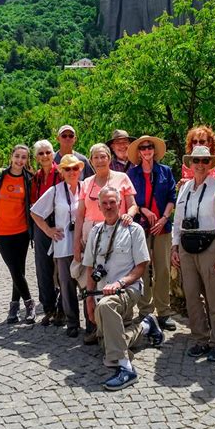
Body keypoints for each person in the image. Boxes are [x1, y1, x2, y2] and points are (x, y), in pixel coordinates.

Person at [83, 186, 164, 391]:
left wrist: (120, 283)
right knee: (107, 342)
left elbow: (141, 266)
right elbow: (90, 268)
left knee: (106, 307)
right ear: (99, 206)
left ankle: (126, 368)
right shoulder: (95, 231)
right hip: (102, 293)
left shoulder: (133, 229)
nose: (109, 206)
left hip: (128, 288)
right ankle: (146, 326)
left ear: (120, 204)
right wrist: (89, 300)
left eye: (113, 202)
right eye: (105, 203)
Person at [74, 143, 138, 343]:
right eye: (96, 157)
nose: (100, 160)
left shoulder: (122, 178)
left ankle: (119, 324)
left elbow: (133, 205)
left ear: (109, 158)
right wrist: (77, 241)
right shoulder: (87, 183)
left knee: (115, 278)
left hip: (117, 233)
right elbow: (80, 214)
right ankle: (93, 326)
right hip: (91, 234)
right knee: (89, 280)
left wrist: (128, 215)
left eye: (103, 156)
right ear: (91, 161)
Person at [171, 146, 215, 361]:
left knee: (214, 296)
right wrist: (174, 246)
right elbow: (177, 220)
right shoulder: (185, 188)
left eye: (205, 161)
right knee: (192, 296)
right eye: (196, 160)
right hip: (187, 246)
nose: (200, 164)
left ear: (209, 164)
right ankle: (200, 338)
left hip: (210, 244)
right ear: (191, 162)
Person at [127, 135, 177, 331]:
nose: (146, 150)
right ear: (139, 152)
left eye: (149, 147)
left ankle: (164, 311)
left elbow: (172, 197)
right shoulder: (132, 174)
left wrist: (164, 218)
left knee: (163, 270)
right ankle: (146, 310)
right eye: (143, 148)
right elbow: (129, 199)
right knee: (143, 270)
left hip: (162, 228)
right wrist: (143, 209)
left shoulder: (165, 171)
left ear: (154, 151)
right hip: (141, 227)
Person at [0, 144, 35, 325]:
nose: (20, 160)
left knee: (18, 270)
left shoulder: (29, 179)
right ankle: (29, 303)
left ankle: (13, 308)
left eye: (24, 157)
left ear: (27, 160)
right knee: (14, 269)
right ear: (11, 156)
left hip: (22, 232)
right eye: (17, 156)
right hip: (2, 232)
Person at [30, 154, 83, 338]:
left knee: (89, 284)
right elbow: (35, 212)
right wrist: (48, 230)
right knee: (67, 285)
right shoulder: (55, 191)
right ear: (61, 171)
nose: (71, 172)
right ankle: (72, 322)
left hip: (85, 244)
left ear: (80, 169)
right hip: (63, 245)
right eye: (67, 169)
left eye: (74, 168)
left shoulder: (87, 188)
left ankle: (93, 323)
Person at [31, 140, 64, 326]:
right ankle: (49, 307)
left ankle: (63, 309)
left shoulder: (61, 173)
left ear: (53, 154)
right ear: (36, 157)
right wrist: (44, 228)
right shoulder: (35, 178)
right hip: (41, 226)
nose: (45, 156)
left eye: (48, 152)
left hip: (59, 224)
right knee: (43, 268)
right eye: (41, 153)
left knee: (62, 269)